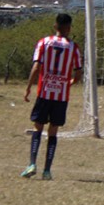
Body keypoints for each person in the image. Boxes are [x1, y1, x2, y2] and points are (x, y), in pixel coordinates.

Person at [21, 13, 83, 180]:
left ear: (55, 26)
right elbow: (78, 73)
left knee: (38, 127)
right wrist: (68, 83)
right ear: (69, 28)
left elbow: (36, 67)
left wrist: (28, 87)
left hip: (44, 92)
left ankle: (32, 164)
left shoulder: (44, 42)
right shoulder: (73, 47)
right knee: (53, 131)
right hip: (61, 97)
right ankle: (47, 170)